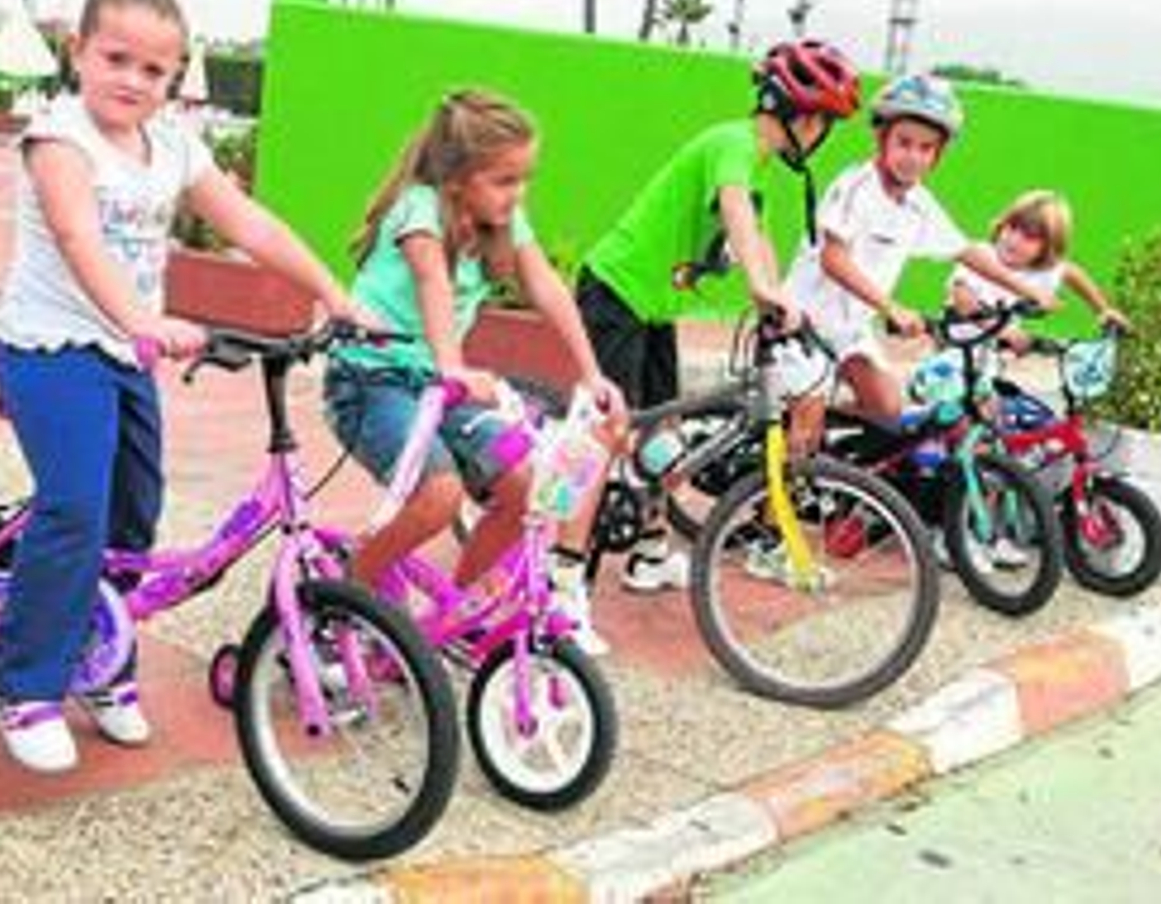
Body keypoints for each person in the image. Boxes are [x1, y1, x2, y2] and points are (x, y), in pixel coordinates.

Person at [0, 0, 364, 773]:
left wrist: (334, 293)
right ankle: (23, 684)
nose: (132, 80)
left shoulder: (176, 147)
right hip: (53, 349)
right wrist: (143, 320)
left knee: (132, 522)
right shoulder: (58, 141)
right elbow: (77, 236)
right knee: (75, 511)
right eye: (115, 58)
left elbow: (248, 222)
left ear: (175, 75)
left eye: (154, 71)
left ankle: (102, 664)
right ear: (77, 53)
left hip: (127, 355)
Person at [323, 90, 625, 655]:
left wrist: (592, 373)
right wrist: (451, 364)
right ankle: (343, 601)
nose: (519, 194)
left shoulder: (502, 219)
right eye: (506, 180)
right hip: (372, 382)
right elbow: (432, 280)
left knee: (529, 486)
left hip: (440, 386)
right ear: (458, 177)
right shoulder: (418, 208)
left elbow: (546, 288)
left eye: (525, 179)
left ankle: (454, 612)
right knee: (439, 496)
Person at [576, 39, 863, 594]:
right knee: (609, 433)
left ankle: (652, 552)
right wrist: (761, 287)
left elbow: (756, 236)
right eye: (824, 122)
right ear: (806, 118)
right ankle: (565, 569)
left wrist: (778, 302)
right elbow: (732, 208)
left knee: (662, 430)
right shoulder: (735, 145)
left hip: (654, 305)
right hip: (616, 290)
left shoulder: (758, 169)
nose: (821, 135)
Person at [780, 74, 1059, 449]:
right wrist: (890, 307)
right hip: (802, 323)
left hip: (850, 332)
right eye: (904, 143)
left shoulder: (918, 204)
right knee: (806, 423)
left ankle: (804, 438)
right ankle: (778, 489)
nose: (914, 156)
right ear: (883, 140)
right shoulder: (856, 187)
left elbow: (966, 251)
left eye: (926, 148)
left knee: (888, 407)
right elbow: (834, 259)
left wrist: (1027, 289)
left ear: (938, 155)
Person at [947, 190, 1128, 346]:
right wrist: (1005, 332)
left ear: (1047, 248)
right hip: (956, 343)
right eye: (1012, 228)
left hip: (997, 351)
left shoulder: (1038, 272)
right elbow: (963, 301)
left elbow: (1072, 273)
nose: (1014, 240)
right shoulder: (980, 255)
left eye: (1029, 237)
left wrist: (1102, 310)